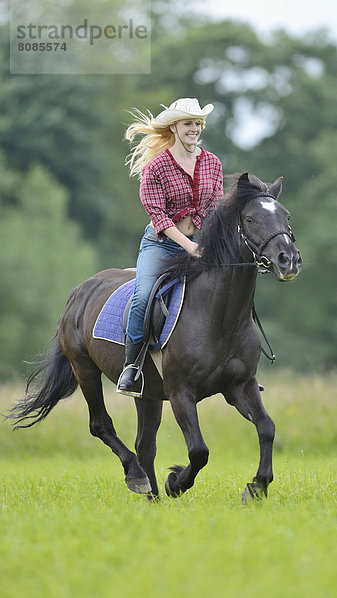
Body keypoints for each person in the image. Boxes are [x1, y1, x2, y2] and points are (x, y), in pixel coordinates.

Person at [117, 98, 224, 395]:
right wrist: (188, 246)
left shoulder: (213, 163)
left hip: (200, 244)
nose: (194, 128)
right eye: (188, 123)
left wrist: (205, 243)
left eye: (198, 123)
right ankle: (132, 367)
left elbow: (214, 208)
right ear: (174, 127)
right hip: (162, 246)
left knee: (228, 287)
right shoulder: (156, 167)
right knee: (143, 296)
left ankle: (233, 364)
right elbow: (159, 217)